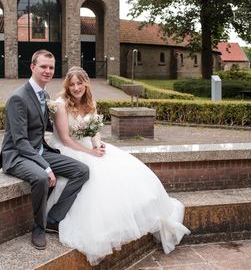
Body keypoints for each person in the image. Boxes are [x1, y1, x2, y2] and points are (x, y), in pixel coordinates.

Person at [47, 66, 190, 265]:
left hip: (88, 146)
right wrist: (90, 152)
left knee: (126, 169)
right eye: (71, 84)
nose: (75, 87)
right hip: (68, 149)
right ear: (67, 86)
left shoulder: (90, 103)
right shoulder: (61, 105)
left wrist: (98, 142)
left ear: (86, 83)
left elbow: (95, 129)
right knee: (95, 176)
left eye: (79, 83)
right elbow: (65, 139)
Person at [0, 50, 89, 250]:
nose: (47, 71)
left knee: (82, 171)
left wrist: (74, 123)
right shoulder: (18, 98)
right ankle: (38, 227)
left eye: (51, 68)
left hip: (39, 149)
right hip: (17, 155)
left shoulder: (45, 95)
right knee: (41, 178)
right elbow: (20, 142)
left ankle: (53, 219)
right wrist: (46, 166)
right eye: (43, 67)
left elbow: (46, 125)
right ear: (32, 68)